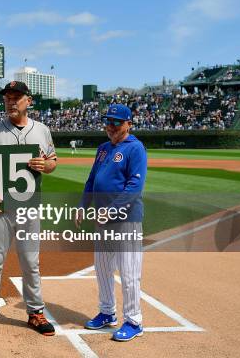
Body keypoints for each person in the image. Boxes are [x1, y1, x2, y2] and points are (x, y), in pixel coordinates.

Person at [0, 81, 57, 339]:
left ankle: (35, 311)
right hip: (1, 207)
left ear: (28, 101)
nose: (11, 101)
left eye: (16, 97)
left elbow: (53, 161)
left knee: (31, 262)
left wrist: (45, 165)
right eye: (7, 97)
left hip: (29, 207)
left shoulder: (41, 130)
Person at [75, 103, 147, 342]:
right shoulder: (103, 149)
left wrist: (111, 211)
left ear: (128, 124)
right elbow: (91, 180)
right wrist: (82, 207)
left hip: (126, 221)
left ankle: (134, 321)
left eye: (117, 122)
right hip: (102, 221)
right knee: (103, 269)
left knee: (129, 273)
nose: (111, 126)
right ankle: (107, 312)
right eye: (108, 121)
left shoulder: (135, 148)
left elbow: (134, 187)